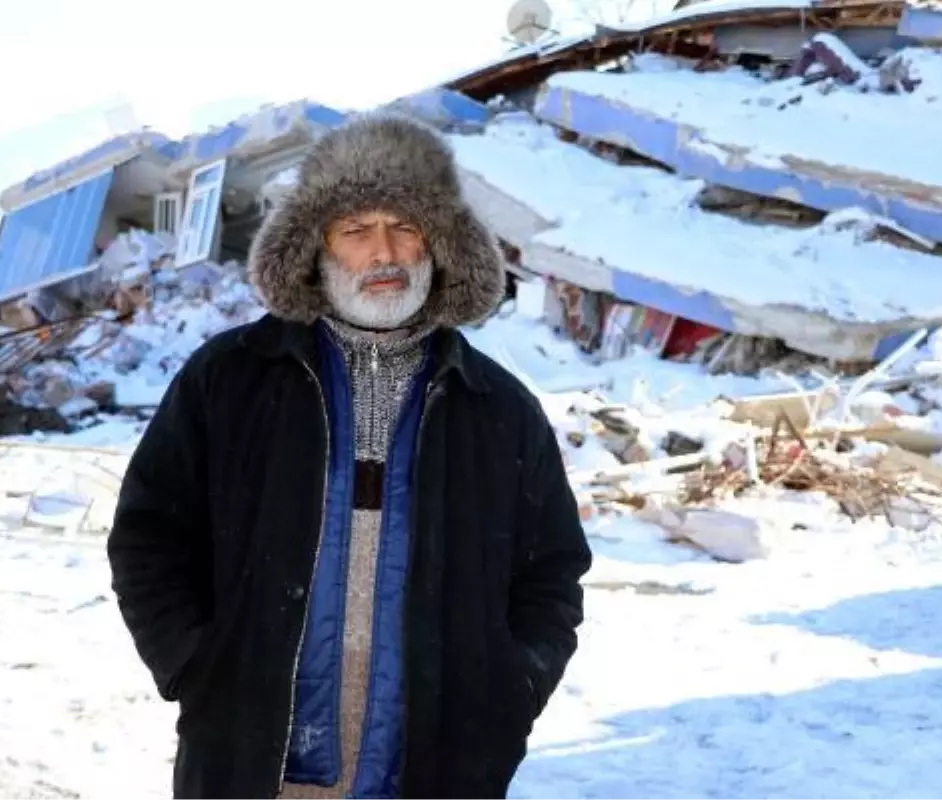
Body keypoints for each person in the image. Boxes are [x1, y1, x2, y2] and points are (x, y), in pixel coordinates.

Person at [107, 113, 592, 800]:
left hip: (433, 774)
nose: (384, 252)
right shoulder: (231, 380)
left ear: (440, 243)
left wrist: (510, 691)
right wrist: (194, 664)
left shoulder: (497, 408)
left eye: (405, 227)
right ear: (317, 248)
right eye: (356, 230)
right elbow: (151, 535)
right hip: (253, 767)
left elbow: (551, 573)